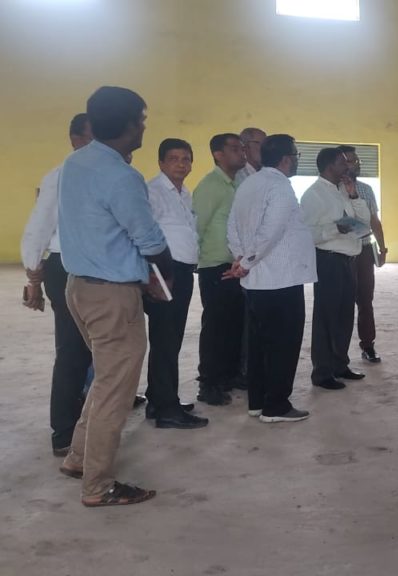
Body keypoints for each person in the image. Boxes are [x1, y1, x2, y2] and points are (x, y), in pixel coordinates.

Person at [58, 85, 173, 506]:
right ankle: (98, 486)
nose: (143, 127)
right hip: (112, 296)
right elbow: (148, 238)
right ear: (128, 125)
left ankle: (78, 458)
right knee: (116, 391)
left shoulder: (75, 162)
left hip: (80, 288)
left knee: (107, 380)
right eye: (141, 120)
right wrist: (166, 273)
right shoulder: (121, 176)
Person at [20, 113, 98, 456]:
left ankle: (88, 414)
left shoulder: (102, 173)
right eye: (91, 138)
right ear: (75, 139)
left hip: (96, 269)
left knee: (96, 348)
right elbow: (38, 228)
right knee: (72, 351)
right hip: (65, 266)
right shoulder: (61, 176)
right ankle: (64, 432)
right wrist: (33, 277)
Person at [226, 134, 315, 423]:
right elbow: (271, 232)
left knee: (260, 344)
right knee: (283, 345)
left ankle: (257, 401)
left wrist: (240, 257)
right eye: (297, 156)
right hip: (281, 281)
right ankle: (276, 406)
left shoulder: (248, 183)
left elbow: (232, 224)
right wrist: (246, 262)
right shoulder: (280, 187)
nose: (297, 161)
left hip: (256, 281)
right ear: (287, 159)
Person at [142, 138, 207, 429]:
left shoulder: (184, 193)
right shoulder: (153, 192)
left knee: (170, 338)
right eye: (174, 159)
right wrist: (151, 275)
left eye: (186, 159)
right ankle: (167, 408)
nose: (181, 164)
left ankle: (159, 399)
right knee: (166, 338)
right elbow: (143, 234)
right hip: (163, 273)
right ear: (161, 163)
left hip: (182, 271)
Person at [301, 147, 365, 390]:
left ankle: (340, 364)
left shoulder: (343, 190)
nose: (348, 166)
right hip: (328, 261)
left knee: (345, 315)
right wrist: (334, 229)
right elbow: (307, 234)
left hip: (348, 259)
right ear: (329, 166)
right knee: (326, 316)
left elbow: (364, 220)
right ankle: (322, 372)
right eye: (342, 163)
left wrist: (353, 195)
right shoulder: (313, 195)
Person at [192, 133, 248, 406]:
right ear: (218, 154)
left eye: (242, 148)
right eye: (235, 148)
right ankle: (209, 383)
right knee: (215, 327)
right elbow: (197, 226)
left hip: (235, 266)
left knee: (234, 325)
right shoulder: (210, 186)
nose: (242, 153)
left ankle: (229, 375)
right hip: (215, 266)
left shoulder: (238, 183)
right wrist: (200, 263)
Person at [339, 146, 388, 363]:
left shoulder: (366, 190)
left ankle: (368, 345)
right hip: (340, 252)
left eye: (356, 161)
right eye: (350, 161)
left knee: (365, 300)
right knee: (341, 302)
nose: (355, 165)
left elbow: (374, 221)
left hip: (364, 250)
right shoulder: (331, 190)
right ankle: (338, 352)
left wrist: (382, 249)